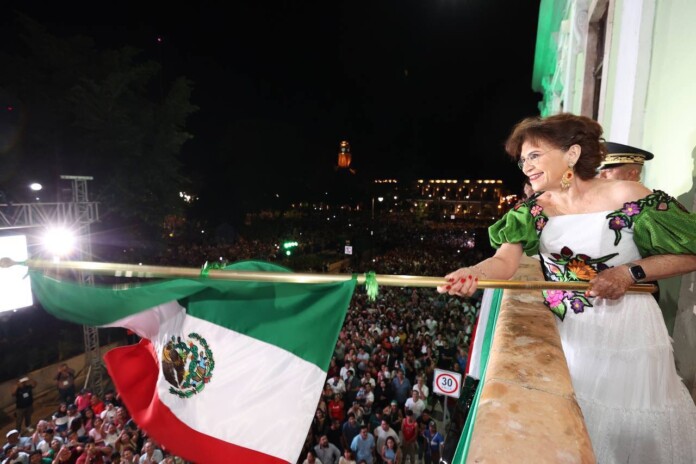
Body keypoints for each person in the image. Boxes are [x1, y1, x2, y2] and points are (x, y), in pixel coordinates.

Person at [438, 112, 696, 464]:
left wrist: (630, 272)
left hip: (631, 334)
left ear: (572, 154)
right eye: (522, 159)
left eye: (535, 155)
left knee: (633, 427)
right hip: (571, 336)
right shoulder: (533, 210)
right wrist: (472, 272)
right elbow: (504, 263)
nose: (526, 167)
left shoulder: (628, 195)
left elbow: (690, 252)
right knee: (577, 423)